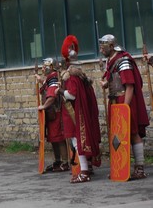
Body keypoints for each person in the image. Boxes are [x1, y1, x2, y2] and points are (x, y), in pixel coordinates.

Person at [99, 34, 150, 180]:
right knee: (117, 134)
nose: (101, 48)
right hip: (115, 101)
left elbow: (129, 85)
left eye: (103, 45)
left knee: (132, 133)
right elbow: (116, 80)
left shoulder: (123, 60)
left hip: (124, 101)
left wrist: (124, 108)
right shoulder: (112, 61)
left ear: (111, 46)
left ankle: (139, 168)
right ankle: (121, 166)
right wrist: (106, 84)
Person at [58, 35, 101, 183]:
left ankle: (84, 172)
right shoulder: (82, 76)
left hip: (77, 112)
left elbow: (72, 95)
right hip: (83, 111)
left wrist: (60, 92)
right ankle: (87, 167)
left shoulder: (72, 77)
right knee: (81, 140)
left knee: (78, 141)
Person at [35, 58, 69, 172]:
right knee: (53, 139)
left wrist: (44, 106)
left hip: (55, 112)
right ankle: (58, 161)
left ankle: (64, 163)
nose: (43, 68)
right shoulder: (51, 78)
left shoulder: (54, 78)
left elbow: (52, 96)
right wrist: (41, 81)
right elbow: (47, 87)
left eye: (45, 66)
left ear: (52, 67)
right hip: (51, 114)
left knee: (59, 139)